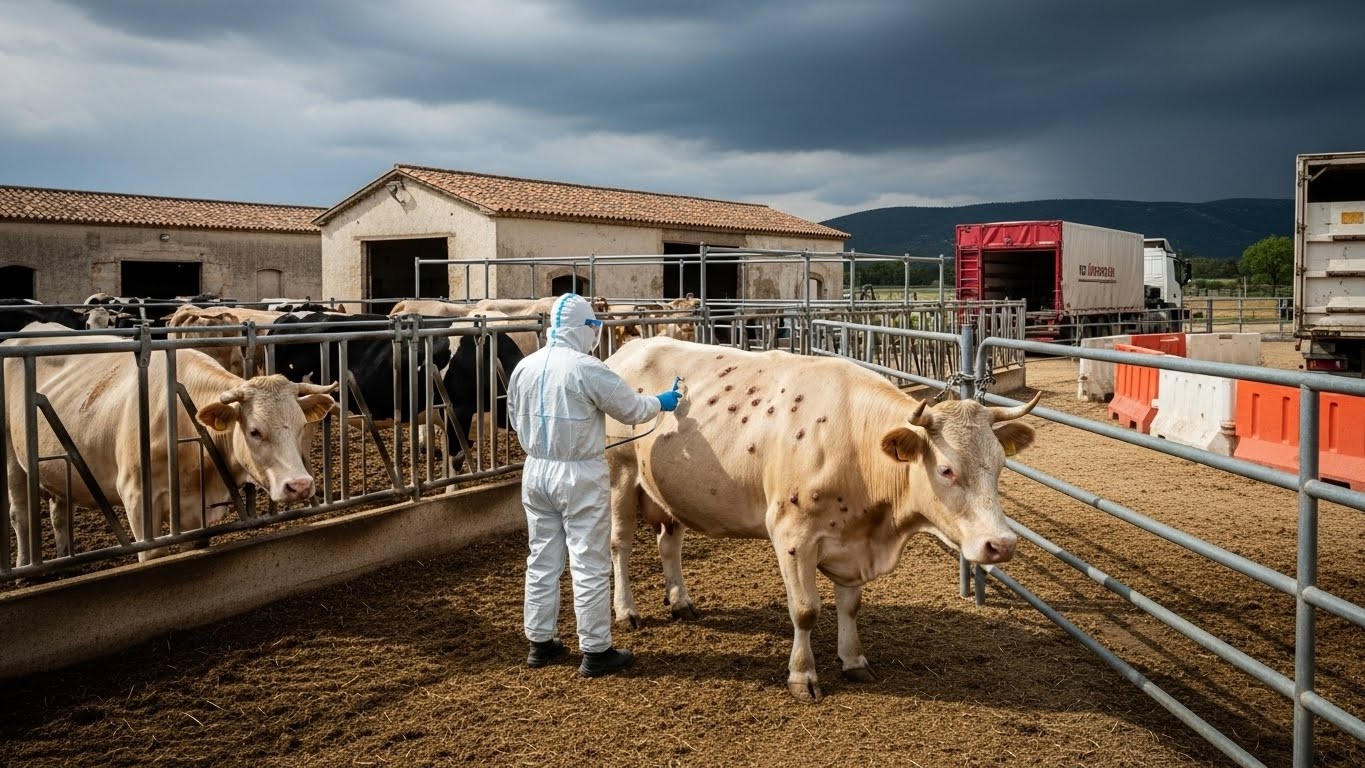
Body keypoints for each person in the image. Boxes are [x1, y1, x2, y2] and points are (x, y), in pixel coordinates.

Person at [507, 293, 683, 677]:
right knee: (589, 560)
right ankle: (596, 649)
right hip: (578, 472)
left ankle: (540, 642)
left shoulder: (525, 367)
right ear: (584, 328)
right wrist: (663, 401)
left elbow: (515, 419)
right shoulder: (587, 368)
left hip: (536, 470)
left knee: (542, 558)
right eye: (595, 327)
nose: (597, 334)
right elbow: (632, 410)